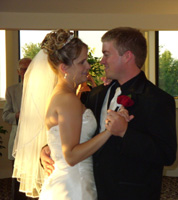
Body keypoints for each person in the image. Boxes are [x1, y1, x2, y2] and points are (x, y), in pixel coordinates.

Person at [41, 27, 177, 200]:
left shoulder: (157, 100)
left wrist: (125, 132)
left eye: (106, 54)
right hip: (89, 189)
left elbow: (167, 154)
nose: (101, 61)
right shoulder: (96, 94)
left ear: (127, 56)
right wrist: (48, 149)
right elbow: (72, 131)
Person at [12, 29, 130, 199]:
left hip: (69, 181)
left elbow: (62, 140)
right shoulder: (68, 100)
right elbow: (72, 156)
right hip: (74, 186)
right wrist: (110, 131)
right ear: (64, 68)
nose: (88, 66)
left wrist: (47, 148)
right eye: (82, 62)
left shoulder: (62, 95)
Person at [2, 57, 32, 200]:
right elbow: (6, 115)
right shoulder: (12, 90)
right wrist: (18, 115)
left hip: (37, 141)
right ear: (18, 72)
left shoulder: (43, 89)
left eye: (29, 68)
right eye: (23, 69)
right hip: (18, 141)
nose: (26, 72)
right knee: (18, 180)